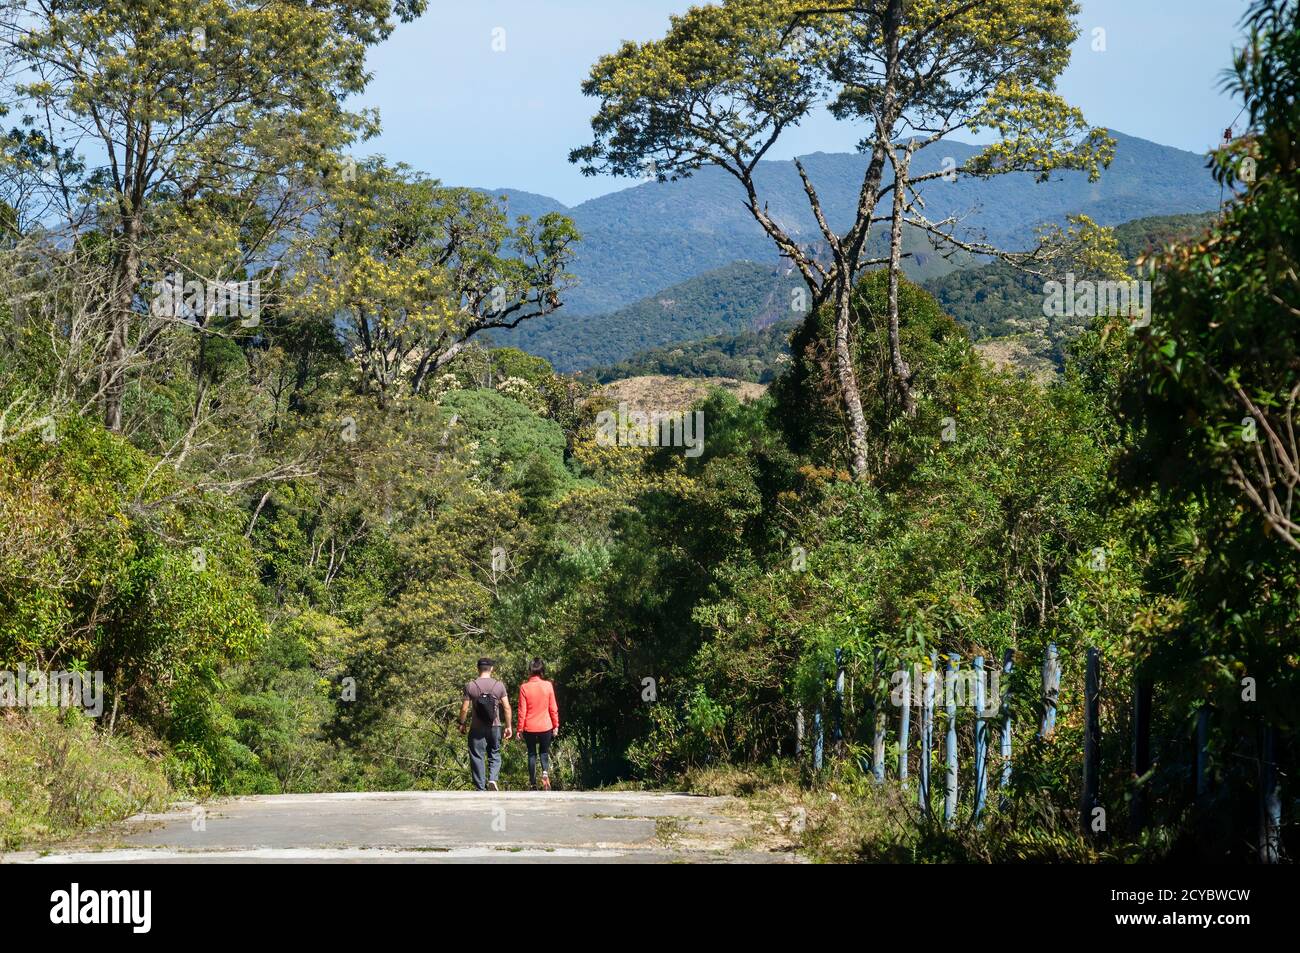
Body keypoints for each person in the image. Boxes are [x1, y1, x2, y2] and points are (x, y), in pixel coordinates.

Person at [459, 657, 512, 791]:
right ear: (492, 669)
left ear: (478, 668)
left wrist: (462, 723)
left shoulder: (471, 685)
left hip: (477, 728)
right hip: (495, 726)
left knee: (477, 755)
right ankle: (493, 779)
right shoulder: (499, 685)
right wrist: (509, 726)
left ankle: (480, 788)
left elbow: (464, 708)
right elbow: (506, 707)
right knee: (495, 752)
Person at [516, 658, 559, 791]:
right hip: (546, 725)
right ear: (542, 671)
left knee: (531, 754)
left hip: (529, 726)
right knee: (544, 752)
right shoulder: (548, 685)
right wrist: (556, 725)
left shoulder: (524, 687)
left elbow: (522, 710)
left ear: (530, 671)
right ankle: (545, 772)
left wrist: (519, 729)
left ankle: (533, 783)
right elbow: (553, 707)